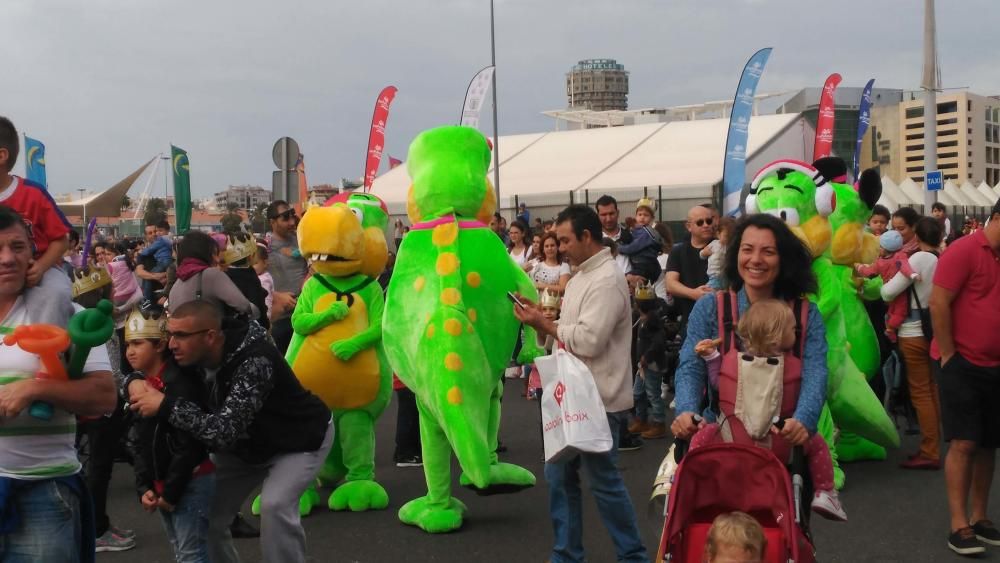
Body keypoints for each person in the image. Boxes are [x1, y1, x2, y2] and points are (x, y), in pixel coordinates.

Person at [126, 300, 334, 563]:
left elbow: (224, 431)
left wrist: (166, 406)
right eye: (170, 334)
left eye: (180, 335)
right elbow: (142, 369)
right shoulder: (188, 352)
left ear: (210, 336)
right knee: (208, 514)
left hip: (298, 440)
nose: (171, 344)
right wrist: (133, 383)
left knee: (275, 506)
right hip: (246, 446)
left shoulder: (255, 360)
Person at [513, 204, 648, 563]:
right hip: (575, 396)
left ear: (586, 237)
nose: (559, 246)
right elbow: (570, 332)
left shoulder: (604, 278)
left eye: (564, 240)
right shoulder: (584, 275)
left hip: (599, 401)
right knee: (561, 479)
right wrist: (543, 320)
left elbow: (589, 340)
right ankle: (568, 555)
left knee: (603, 485)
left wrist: (546, 326)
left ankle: (631, 556)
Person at [0, 205, 117, 561]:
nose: (7, 258)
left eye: (17, 247)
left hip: (44, 490)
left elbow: (104, 397)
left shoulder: (68, 315)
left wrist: (37, 388)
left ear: (34, 251)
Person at [671, 214, 827, 462]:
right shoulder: (711, 307)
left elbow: (816, 370)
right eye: (747, 249)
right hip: (722, 438)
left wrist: (804, 419)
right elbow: (691, 366)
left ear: (783, 258)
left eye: (768, 251)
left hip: (784, 443)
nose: (756, 260)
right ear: (735, 255)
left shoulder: (805, 315)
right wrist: (687, 410)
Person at [690, 299, 846, 521]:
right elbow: (807, 390)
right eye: (793, 329)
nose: (796, 332)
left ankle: (688, 474)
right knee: (817, 443)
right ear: (777, 336)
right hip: (780, 445)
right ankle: (826, 491)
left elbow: (717, 383)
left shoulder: (730, 362)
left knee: (703, 434)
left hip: (733, 442)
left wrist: (711, 358)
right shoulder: (793, 367)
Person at [929, 197, 1000, 556]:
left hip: (994, 365)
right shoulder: (964, 250)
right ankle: (959, 524)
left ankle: (980, 517)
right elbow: (938, 302)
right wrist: (950, 355)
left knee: (988, 444)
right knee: (964, 442)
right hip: (960, 363)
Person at [126, 305, 215, 563]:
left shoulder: (181, 382)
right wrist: (144, 485)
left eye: (138, 343)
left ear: (159, 345)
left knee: (191, 554)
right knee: (182, 550)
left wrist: (171, 492)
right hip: (164, 483)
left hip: (191, 481)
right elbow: (139, 441)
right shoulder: (141, 384)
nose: (130, 351)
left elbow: (189, 443)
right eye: (128, 344)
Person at [880, 217, 942, 470]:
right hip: (933, 329)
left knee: (920, 392)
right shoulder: (941, 258)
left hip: (912, 330)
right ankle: (935, 441)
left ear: (917, 234)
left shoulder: (917, 260)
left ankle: (929, 450)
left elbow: (888, 292)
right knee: (931, 387)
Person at [0, 117, 73, 297]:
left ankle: (49, 326)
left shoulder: (33, 194)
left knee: (56, 293)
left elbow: (61, 240)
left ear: (1, 156)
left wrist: (41, 267)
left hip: (40, 272)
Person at [168, 230, 259, 320]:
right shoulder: (211, 274)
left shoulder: (178, 282)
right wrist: (256, 311)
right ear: (203, 253)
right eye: (214, 254)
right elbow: (244, 306)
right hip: (207, 332)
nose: (217, 260)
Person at [855, 230, 920, 342]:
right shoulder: (900, 256)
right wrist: (911, 274)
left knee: (897, 311)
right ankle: (891, 328)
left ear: (885, 249)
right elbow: (904, 265)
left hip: (893, 292)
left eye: (880, 246)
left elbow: (869, 272)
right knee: (898, 311)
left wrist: (859, 267)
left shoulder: (880, 262)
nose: (878, 249)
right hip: (899, 292)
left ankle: (890, 328)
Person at [628, 284, 669, 440]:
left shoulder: (652, 322)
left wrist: (647, 357)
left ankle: (659, 423)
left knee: (653, 394)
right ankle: (641, 419)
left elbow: (658, 342)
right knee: (637, 393)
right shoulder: (641, 319)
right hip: (642, 366)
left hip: (651, 365)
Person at [265, 201, 306, 353]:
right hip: (280, 319)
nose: (291, 222)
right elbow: (253, 279)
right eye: (285, 219)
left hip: (303, 313)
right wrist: (276, 295)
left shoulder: (301, 240)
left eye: (292, 217)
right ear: (272, 222)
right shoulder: (264, 246)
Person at [666, 205, 716, 326]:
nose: (706, 225)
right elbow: (670, 284)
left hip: (717, 318)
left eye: (709, 221)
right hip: (689, 320)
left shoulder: (721, 247)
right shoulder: (678, 251)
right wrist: (693, 293)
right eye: (700, 222)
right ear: (689, 226)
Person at [616, 198, 664, 286]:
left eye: (646, 215)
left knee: (627, 278)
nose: (642, 217)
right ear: (636, 216)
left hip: (645, 265)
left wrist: (619, 248)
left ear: (652, 218)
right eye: (640, 214)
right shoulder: (640, 230)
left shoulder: (646, 233)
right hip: (644, 265)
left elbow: (633, 247)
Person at [595, 195, 632, 275]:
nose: (608, 219)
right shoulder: (594, 241)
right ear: (597, 216)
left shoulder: (631, 236)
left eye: (611, 213)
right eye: (604, 215)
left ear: (617, 213)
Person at [137, 219, 173, 301]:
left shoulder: (169, 246)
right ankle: (147, 300)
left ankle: (146, 300)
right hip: (154, 294)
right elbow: (140, 272)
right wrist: (158, 277)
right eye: (150, 233)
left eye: (155, 231)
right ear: (146, 236)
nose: (155, 234)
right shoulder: (142, 254)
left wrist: (167, 274)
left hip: (168, 295)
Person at [701, 217, 735, 290]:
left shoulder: (731, 246)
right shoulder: (714, 244)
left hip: (727, 276)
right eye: (726, 236)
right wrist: (704, 253)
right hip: (714, 276)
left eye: (731, 236)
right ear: (718, 234)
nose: (729, 239)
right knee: (709, 290)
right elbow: (701, 255)